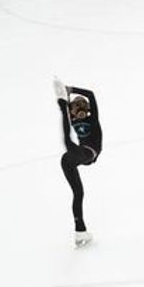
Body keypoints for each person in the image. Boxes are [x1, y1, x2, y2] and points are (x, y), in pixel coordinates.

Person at [54, 78, 102, 248]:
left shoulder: (93, 119)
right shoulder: (73, 120)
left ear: (88, 110)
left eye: (83, 107)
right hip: (71, 159)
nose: (80, 111)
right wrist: (65, 105)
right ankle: (80, 232)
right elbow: (69, 118)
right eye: (76, 108)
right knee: (78, 193)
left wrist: (70, 89)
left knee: (79, 194)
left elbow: (90, 94)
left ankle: (80, 230)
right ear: (73, 112)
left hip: (84, 153)